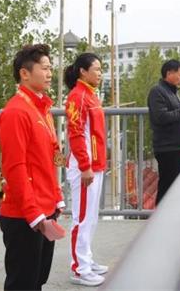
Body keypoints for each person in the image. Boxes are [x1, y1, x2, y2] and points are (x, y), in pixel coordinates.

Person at [0, 45, 66, 290]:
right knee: (22, 282)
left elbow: (52, 156)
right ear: (24, 74)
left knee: (37, 279)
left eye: (50, 68)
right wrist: (33, 213)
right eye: (44, 68)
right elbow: (15, 168)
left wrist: (56, 197)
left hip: (45, 208)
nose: (49, 73)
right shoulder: (16, 112)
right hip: (24, 214)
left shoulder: (42, 109)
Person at [65, 53, 108, 286]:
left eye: (101, 69)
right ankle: (79, 268)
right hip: (85, 167)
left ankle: (86, 259)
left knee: (90, 217)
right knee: (81, 217)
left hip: (95, 164)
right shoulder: (77, 96)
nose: (100, 73)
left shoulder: (90, 95)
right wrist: (84, 165)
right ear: (83, 71)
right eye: (97, 69)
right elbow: (76, 133)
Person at [147, 60, 180, 205]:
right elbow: (161, 117)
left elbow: (177, 117)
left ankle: (172, 215)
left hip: (177, 147)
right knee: (167, 186)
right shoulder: (157, 92)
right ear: (169, 73)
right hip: (167, 147)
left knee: (175, 186)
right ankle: (161, 216)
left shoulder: (173, 93)